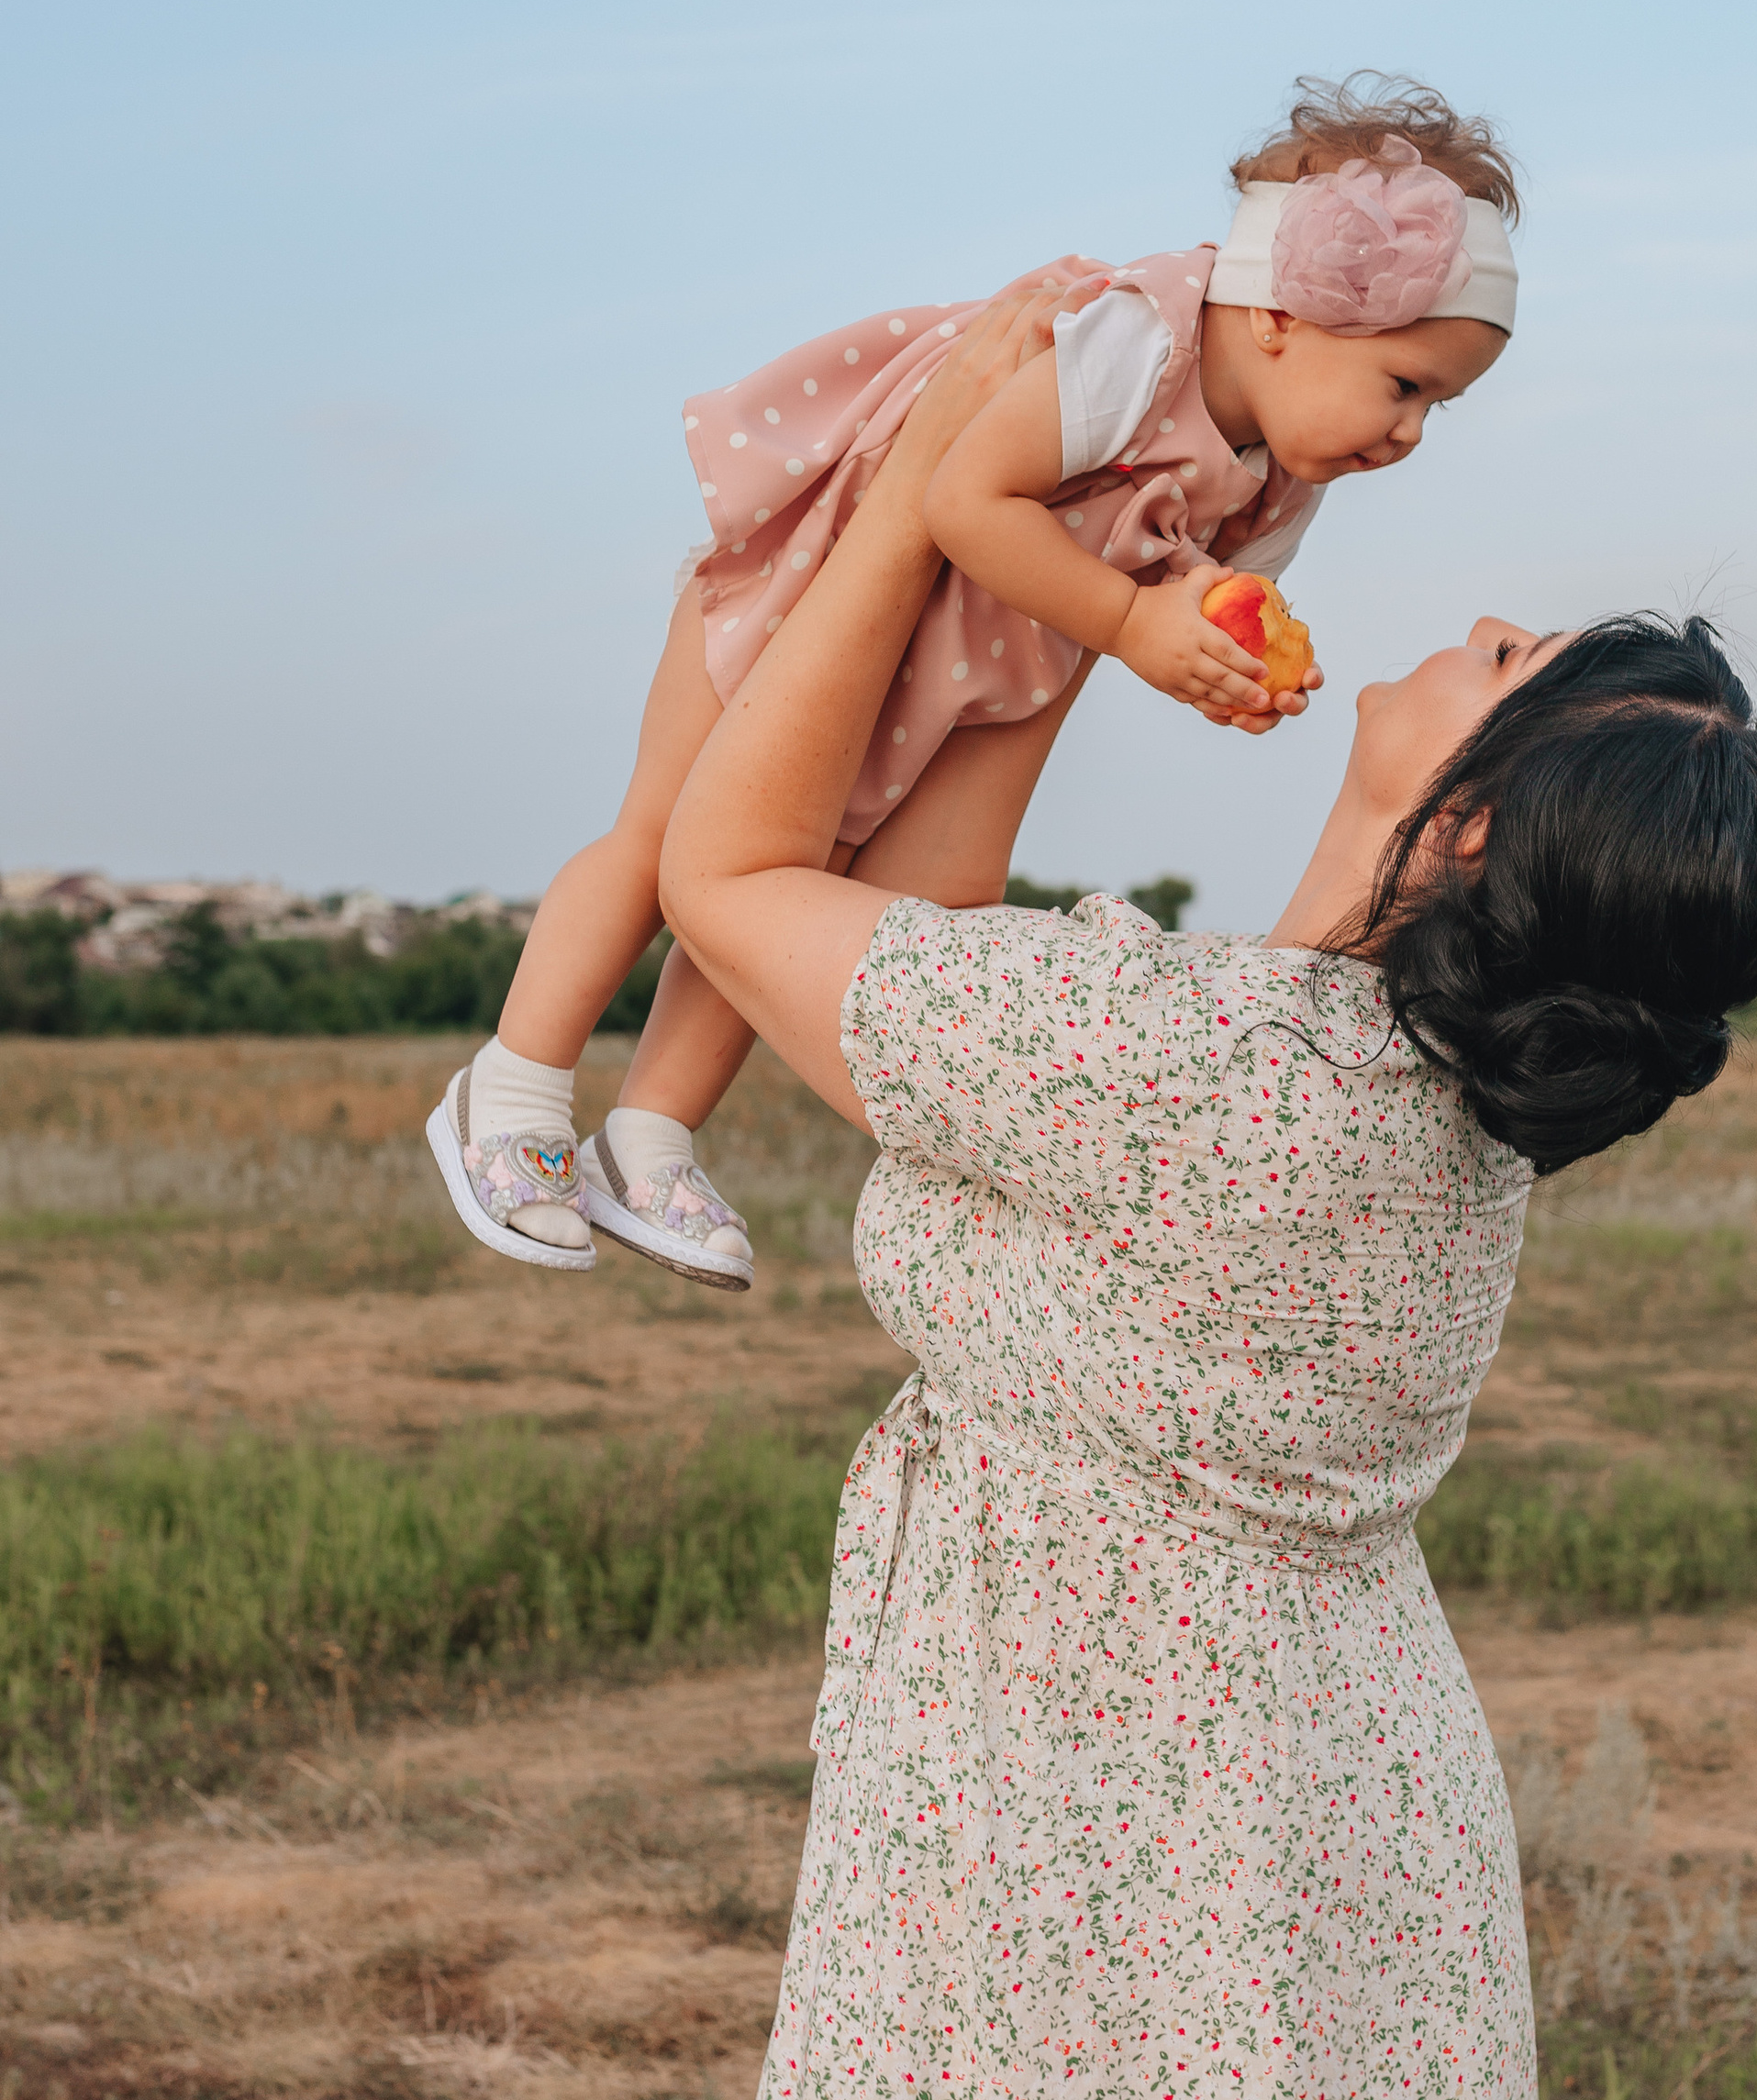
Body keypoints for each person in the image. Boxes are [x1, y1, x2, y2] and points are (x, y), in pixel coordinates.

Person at [656, 306, 1757, 2100]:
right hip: (1305, 1817)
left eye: (1515, 657)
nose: (1471, 619)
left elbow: (738, 870)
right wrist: (1077, 602)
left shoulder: (1184, 1074)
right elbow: (971, 972)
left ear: (1469, 820)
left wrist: (926, 499)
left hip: (1086, 1833)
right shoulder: (1386, 1099)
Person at [422, 75, 1523, 1295]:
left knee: (798, 881)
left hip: (959, 656)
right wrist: (1128, 621)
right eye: (1405, 387)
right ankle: (513, 1087)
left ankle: (650, 1136)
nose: (1412, 434)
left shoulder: (1278, 476)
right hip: (822, 586)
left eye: (1440, 406)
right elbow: (960, 496)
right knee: (663, 833)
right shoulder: (1132, 342)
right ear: (1283, 317)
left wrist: (1219, 657)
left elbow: (1195, 593)